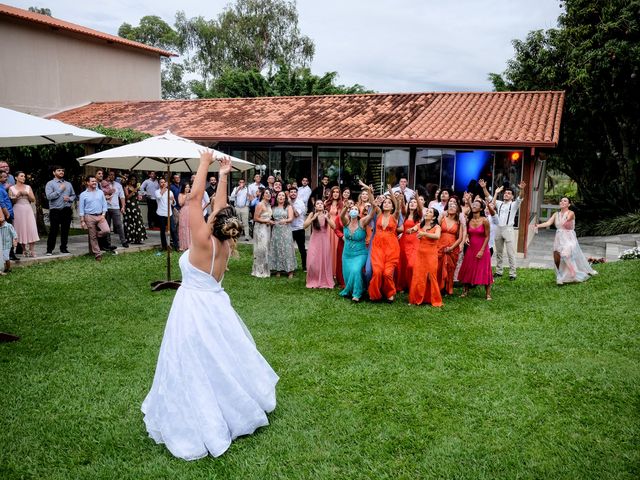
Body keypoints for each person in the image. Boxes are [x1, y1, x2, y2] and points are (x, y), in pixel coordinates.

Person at [142, 151, 278, 461]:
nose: (212, 211)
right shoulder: (223, 243)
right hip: (217, 304)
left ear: (214, 223)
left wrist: (204, 164)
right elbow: (218, 205)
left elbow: (194, 200)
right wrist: (224, 172)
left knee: (193, 360)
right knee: (224, 354)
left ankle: (206, 412)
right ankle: (236, 404)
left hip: (192, 306)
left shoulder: (201, 240)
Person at [535, 197, 598, 285]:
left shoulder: (571, 213)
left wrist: (566, 218)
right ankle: (560, 277)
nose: (562, 202)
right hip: (559, 238)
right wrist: (538, 225)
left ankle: (574, 272)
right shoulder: (556, 214)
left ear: (568, 204)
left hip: (569, 238)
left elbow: (568, 218)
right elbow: (548, 223)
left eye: (565, 201)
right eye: (561, 200)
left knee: (565, 254)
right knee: (557, 259)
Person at [485, 180, 526, 280]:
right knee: (499, 252)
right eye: (505, 193)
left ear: (512, 196)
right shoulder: (499, 203)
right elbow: (490, 199)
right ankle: (499, 271)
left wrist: (522, 189)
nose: (506, 194)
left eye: (509, 193)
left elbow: (520, 197)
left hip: (508, 229)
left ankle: (512, 274)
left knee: (510, 253)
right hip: (499, 228)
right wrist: (484, 188)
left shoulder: (514, 204)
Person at [368, 187, 402, 302]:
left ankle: (390, 293)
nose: (386, 204)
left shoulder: (395, 216)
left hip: (391, 248)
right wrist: (370, 191)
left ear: (392, 206)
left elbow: (398, 207)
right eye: (385, 202)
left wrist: (391, 193)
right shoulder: (378, 214)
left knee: (387, 273)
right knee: (377, 272)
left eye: (389, 203)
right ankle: (375, 294)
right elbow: (373, 203)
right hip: (378, 247)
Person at [458, 199, 493, 300]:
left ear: (481, 208)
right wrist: (467, 237)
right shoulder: (469, 220)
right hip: (471, 248)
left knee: (484, 269)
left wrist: (482, 250)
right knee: (468, 267)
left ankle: (488, 294)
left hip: (482, 248)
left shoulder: (485, 220)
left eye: (476, 205)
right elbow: (468, 232)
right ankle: (465, 291)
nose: (473, 206)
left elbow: (487, 236)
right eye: (473, 204)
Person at [339, 201, 374, 302]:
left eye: (356, 209)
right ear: (349, 212)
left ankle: (357, 294)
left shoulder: (362, 222)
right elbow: (341, 215)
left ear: (358, 213)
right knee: (349, 273)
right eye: (352, 209)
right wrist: (346, 207)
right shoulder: (346, 222)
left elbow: (371, 215)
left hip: (360, 253)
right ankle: (355, 289)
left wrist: (373, 204)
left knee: (356, 270)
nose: (353, 211)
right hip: (347, 254)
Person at [408, 207, 443, 307]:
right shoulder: (420, 225)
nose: (427, 212)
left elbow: (437, 236)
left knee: (431, 276)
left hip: (431, 255)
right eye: (427, 211)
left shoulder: (437, 227)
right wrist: (410, 230)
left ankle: (434, 299)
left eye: (430, 212)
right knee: (418, 275)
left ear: (434, 217)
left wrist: (424, 233)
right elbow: (412, 229)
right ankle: (417, 298)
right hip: (420, 254)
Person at [304, 199, 335, 289]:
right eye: (318, 203)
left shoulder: (326, 214)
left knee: (323, 259)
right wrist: (313, 218)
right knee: (312, 260)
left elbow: (333, 226)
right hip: (315, 239)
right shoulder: (312, 214)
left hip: (324, 239)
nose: (320, 205)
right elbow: (304, 225)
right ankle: (313, 278)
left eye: (321, 203)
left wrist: (327, 218)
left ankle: (323, 279)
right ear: (315, 206)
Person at [45, 165, 76, 256]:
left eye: (62, 170)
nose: (61, 172)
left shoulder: (68, 184)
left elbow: (74, 195)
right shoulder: (50, 184)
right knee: (53, 230)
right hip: (55, 210)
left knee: (65, 230)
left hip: (66, 210)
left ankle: (63, 248)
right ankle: (49, 250)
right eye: (59, 170)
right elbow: (49, 197)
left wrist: (69, 198)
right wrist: (60, 190)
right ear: (54, 172)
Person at [78, 175, 110, 261]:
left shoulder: (100, 192)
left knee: (106, 230)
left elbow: (104, 204)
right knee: (93, 238)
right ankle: (97, 254)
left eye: (95, 181)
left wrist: (103, 215)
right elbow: (81, 208)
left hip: (100, 216)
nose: (94, 182)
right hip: (89, 216)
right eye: (92, 181)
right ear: (87, 183)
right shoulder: (83, 195)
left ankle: (95, 235)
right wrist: (82, 221)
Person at [437, 198, 464, 296]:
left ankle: (447, 288)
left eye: (454, 206)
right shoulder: (442, 219)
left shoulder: (459, 222)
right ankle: (439, 287)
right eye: (450, 206)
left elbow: (460, 238)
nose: (451, 208)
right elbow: (436, 229)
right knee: (439, 266)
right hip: (440, 245)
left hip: (452, 246)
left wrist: (451, 248)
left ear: (457, 210)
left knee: (449, 267)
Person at [8, 171, 39, 257]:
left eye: (24, 176)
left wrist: (27, 194)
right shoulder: (11, 188)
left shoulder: (28, 187)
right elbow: (12, 201)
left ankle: (32, 250)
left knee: (31, 228)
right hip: (17, 209)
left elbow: (33, 199)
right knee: (21, 229)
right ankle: (24, 250)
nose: (23, 178)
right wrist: (17, 195)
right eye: (21, 176)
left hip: (27, 208)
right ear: (16, 178)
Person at [269, 191, 297, 277]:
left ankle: (290, 270)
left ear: (285, 198)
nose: (281, 197)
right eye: (279, 195)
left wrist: (284, 220)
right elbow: (270, 217)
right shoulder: (273, 208)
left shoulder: (288, 207)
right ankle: (278, 269)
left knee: (287, 248)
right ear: (276, 197)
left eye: (283, 195)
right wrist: (271, 222)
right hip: (276, 230)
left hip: (285, 230)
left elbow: (291, 218)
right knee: (277, 248)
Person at [397, 196, 422, 293]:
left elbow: (420, 207)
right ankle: (403, 286)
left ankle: (412, 284)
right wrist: (402, 198)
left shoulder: (419, 215)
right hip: (404, 241)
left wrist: (416, 196)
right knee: (403, 264)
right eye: (411, 202)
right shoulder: (405, 215)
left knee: (411, 264)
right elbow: (402, 206)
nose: (412, 204)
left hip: (415, 242)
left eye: (415, 202)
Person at [252, 189, 274, 278]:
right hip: (260, 229)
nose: (268, 194)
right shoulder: (260, 204)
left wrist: (269, 221)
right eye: (266, 193)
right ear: (263, 195)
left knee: (266, 248)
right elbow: (255, 218)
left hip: (267, 228)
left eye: (269, 193)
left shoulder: (268, 205)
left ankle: (265, 269)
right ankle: (259, 271)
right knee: (261, 248)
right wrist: (266, 221)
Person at [105, 170, 128, 248]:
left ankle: (123, 241)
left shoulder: (118, 185)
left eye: (113, 175)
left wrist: (123, 206)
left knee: (119, 225)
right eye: (110, 175)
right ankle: (108, 243)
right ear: (108, 175)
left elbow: (122, 196)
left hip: (115, 208)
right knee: (107, 227)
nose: (112, 176)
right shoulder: (104, 184)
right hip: (106, 208)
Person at [123, 175, 147, 245]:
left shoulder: (134, 187)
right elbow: (127, 197)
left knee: (138, 221)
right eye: (132, 179)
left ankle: (138, 238)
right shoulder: (126, 187)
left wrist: (139, 196)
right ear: (129, 180)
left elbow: (137, 196)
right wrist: (135, 190)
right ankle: (130, 238)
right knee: (130, 222)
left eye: (134, 179)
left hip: (136, 206)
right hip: (129, 207)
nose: (133, 181)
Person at [155, 177, 178, 251]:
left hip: (169, 213)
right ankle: (164, 246)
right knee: (162, 231)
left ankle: (176, 246)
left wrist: (173, 200)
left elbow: (174, 204)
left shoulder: (170, 192)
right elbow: (158, 197)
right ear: (159, 184)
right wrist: (164, 188)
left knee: (173, 230)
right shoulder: (157, 191)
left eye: (164, 182)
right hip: (161, 213)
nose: (163, 183)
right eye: (161, 182)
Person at [288, 186, 307, 271]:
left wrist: (290, 204)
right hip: (289, 229)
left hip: (299, 229)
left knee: (301, 249)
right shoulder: (286, 202)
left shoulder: (300, 203)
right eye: (291, 192)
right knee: (288, 248)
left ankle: (304, 266)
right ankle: (290, 266)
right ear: (289, 193)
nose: (293, 193)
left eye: (294, 192)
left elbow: (296, 214)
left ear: (297, 193)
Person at [0, 209, 17, 274]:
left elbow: (14, 233)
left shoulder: (8, 226)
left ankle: (8, 268)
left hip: (7, 245)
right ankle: (4, 268)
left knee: (6, 257)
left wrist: (15, 241)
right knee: (2, 257)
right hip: (1, 244)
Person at [178, 183, 192, 251]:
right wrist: (185, 196)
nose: (187, 188)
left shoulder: (191, 194)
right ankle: (184, 245)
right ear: (183, 188)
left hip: (191, 211)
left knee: (190, 228)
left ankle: (190, 244)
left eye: (188, 187)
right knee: (184, 227)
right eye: (186, 187)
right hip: (184, 211)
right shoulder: (181, 195)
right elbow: (180, 204)